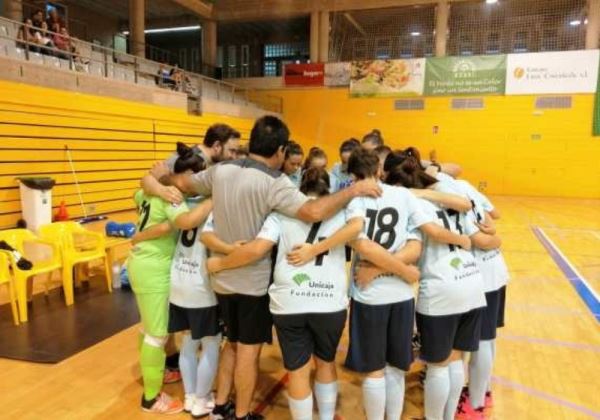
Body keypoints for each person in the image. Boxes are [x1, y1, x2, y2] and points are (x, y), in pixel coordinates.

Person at [150, 115, 381, 420]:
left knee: (229, 345)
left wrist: (158, 181)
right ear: (281, 149)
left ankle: (220, 404)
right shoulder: (275, 183)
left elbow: (183, 182)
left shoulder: (221, 170)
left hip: (220, 283)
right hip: (252, 284)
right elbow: (312, 211)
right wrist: (353, 191)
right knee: (248, 351)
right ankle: (242, 413)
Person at [205, 167, 364, 420]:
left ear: (299, 188)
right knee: (325, 363)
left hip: (289, 303)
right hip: (330, 302)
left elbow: (257, 249)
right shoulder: (343, 212)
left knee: (298, 371)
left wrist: (220, 264)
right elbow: (358, 236)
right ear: (329, 189)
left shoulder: (281, 214)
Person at [343, 149, 472, 420]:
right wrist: (402, 269)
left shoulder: (354, 202)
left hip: (370, 296)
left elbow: (362, 245)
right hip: (402, 294)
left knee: (374, 370)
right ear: (379, 170)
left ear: (352, 176)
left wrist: (376, 270)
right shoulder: (403, 195)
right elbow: (416, 246)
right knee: (397, 367)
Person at [383, 151, 501, 420]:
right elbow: (466, 205)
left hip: (441, 287)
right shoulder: (447, 192)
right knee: (456, 359)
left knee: (437, 366)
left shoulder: (410, 201)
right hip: (471, 281)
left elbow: (432, 233)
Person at [127, 143, 214, 414]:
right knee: (157, 335)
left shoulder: (152, 192)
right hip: (154, 268)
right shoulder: (172, 196)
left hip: (140, 263)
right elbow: (185, 221)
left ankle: (154, 372)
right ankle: (151, 398)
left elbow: (139, 192)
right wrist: (214, 199)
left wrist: (144, 233)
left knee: (147, 328)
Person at [142, 123, 240, 204]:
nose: (234, 157)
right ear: (217, 146)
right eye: (232, 151)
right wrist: (161, 190)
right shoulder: (186, 157)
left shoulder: (218, 164)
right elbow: (146, 180)